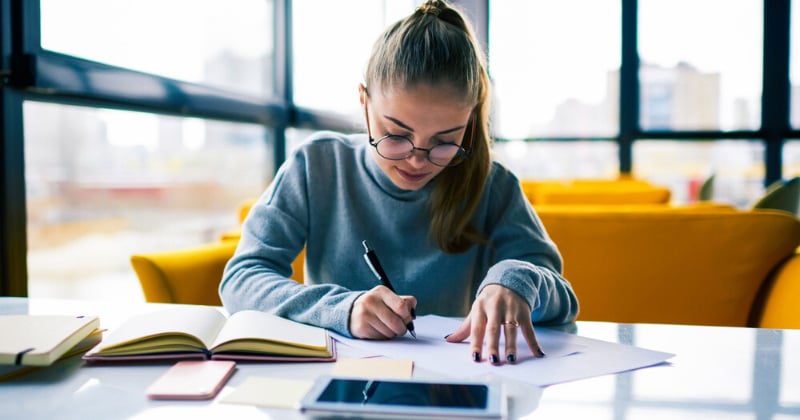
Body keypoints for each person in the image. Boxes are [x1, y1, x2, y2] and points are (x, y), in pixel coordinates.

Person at [220, 0, 578, 365]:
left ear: (470, 121)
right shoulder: (317, 165)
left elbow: (563, 300)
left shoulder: (493, 185)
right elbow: (241, 280)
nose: (417, 159)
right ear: (364, 102)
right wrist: (343, 308)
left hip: (451, 385)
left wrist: (515, 280)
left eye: (444, 141)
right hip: (337, 383)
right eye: (396, 134)